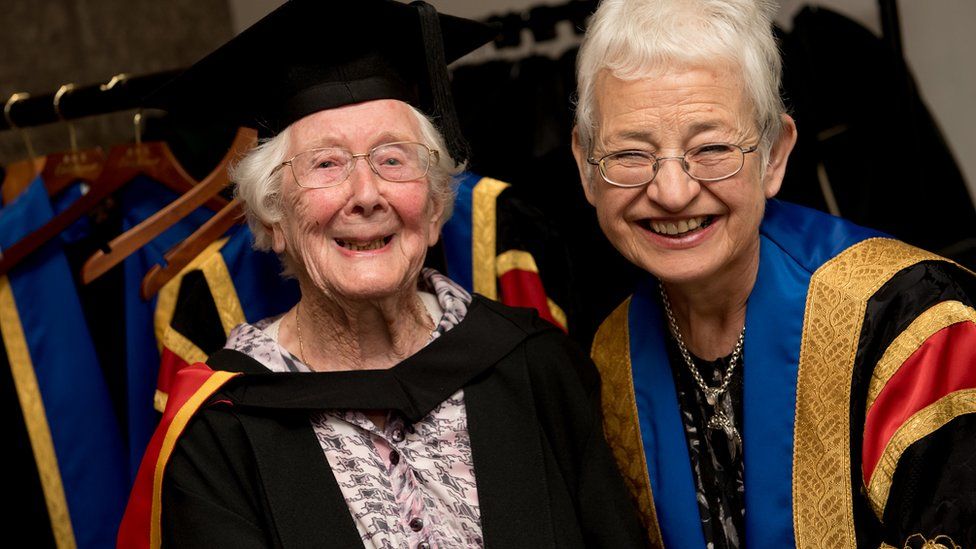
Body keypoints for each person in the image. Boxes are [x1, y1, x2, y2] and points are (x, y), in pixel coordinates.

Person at [116, 1, 646, 548]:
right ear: (273, 217)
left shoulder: (538, 367)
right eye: (326, 164)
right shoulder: (219, 433)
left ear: (437, 204)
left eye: (393, 159)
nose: (366, 195)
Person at [571, 0, 976, 547]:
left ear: (775, 155)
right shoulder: (606, 354)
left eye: (711, 148)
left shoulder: (910, 322)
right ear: (585, 165)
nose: (671, 192)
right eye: (630, 154)